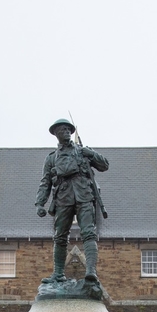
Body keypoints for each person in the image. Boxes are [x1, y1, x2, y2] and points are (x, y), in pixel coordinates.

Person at [35, 118, 109, 284]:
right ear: (56, 134)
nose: (67, 132)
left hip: (84, 195)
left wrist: (91, 154)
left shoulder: (83, 151)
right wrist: (40, 203)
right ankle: (58, 274)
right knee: (60, 236)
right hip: (63, 197)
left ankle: (91, 271)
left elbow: (104, 165)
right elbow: (45, 182)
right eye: (62, 129)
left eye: (69, 129)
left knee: (89, 233)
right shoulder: (51, 159)